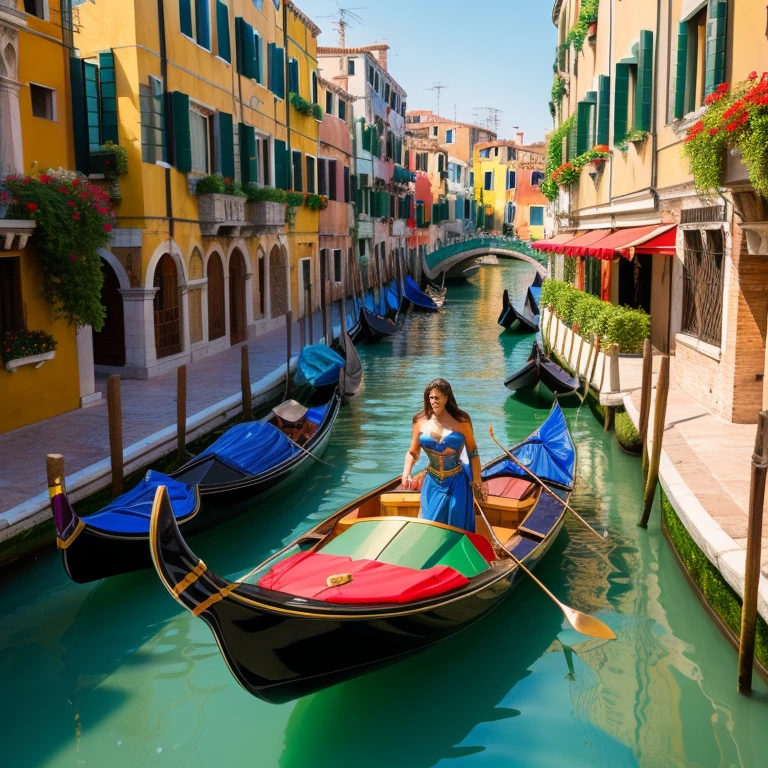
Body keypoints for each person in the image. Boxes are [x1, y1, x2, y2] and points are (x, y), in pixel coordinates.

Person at [401, 378, 488, 533]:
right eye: (430, 398)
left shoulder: (462, 421)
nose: (433, 401)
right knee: (430, 523)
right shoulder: (419, 421)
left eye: (437, 397)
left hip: (457, 481)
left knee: (456, 523)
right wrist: (406, 473)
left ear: (447, 398)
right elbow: (413, 453)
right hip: (432, 481)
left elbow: (473, 452)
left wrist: (477, 480)